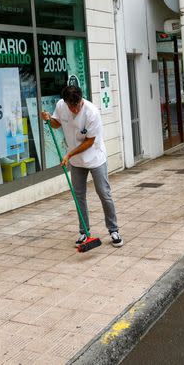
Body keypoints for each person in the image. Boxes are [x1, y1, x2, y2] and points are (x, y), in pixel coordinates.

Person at [41, 85, 122, 248]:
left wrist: (69, 154)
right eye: (71, 106)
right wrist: (49, 119)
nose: (74, 109)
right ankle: (84, 232)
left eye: (76, 105)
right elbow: (57, 124)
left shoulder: (91, 112)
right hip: (76, 160)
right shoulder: (61, 106)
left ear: (81, 101)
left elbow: (89, 141)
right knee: (79, 195)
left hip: (94, 157)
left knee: (103, 192)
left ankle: (113, 230)